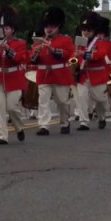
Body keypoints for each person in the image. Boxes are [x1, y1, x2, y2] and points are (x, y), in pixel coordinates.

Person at [29, 7, 75, 135]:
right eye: (47, 26)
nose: (48, 29)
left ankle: (65, 122)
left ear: (58, 26)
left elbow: (71, 57)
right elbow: (32, 59)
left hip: (60, 74)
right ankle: (44, 125)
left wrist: (54, 50)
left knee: (62, 101)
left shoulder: (65, 40)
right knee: (43, 101)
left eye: (52, 26)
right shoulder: (38, 41)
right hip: (43, 74)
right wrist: (35, 54)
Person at [0, 6, 28, 144]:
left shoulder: (20, 43)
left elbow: (20, 59)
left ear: (13, 29)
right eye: (4, 28)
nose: (5, 31)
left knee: (12, 107)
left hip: (13, 78)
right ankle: (2, 136)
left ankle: (19, 127)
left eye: (8, 28)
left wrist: (8, 49)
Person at [73, 11, 111, 130]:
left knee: (100, 100)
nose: (85, 32)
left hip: (97, 75)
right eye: (83, 29)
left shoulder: (100, 42)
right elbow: (72, 59)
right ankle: (84, 122)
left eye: (88, 30)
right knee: (82, 98)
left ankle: (101, 117)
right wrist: (73, 59)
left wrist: (84, 53)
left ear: (93, 31)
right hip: (83, 75)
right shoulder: (78, 43)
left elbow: (100, 54)